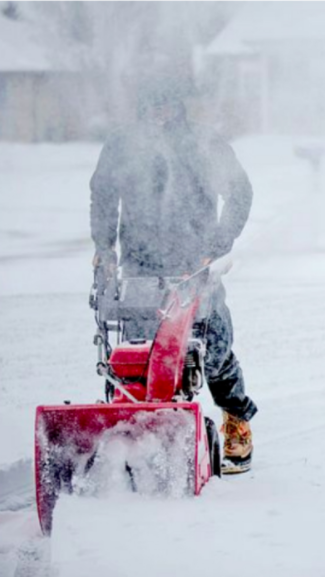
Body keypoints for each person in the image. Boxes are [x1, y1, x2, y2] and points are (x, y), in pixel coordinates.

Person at [89, 75, 257, 474]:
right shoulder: (122, 145)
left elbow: (240, 192)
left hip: (194, 263)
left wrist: (215, 246)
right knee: (135, 353)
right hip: (140, 263)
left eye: (166, 106)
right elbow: (103, 194)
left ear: (179, 106)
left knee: (212, 347)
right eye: (151, 107)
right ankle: (130, 432)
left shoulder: (204, 143)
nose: (159, 114)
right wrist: (103, 248)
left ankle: (236, 419)